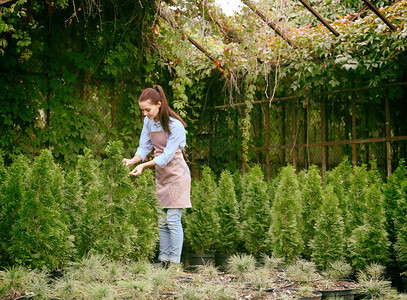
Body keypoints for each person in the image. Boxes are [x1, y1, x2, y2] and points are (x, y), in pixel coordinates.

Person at [122, 85, 191, 267]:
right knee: (162, 221)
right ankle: (164, 261)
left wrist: (144, 165)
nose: (145, 113)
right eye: (142, 110)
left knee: (172, 220)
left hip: (177, 176)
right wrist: (132, 160)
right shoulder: (148, 122)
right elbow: (144, 148)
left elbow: (167, 156)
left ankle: (175, 265)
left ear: (159, 104)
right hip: (162, 176)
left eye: (148, 109)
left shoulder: (175, 126)